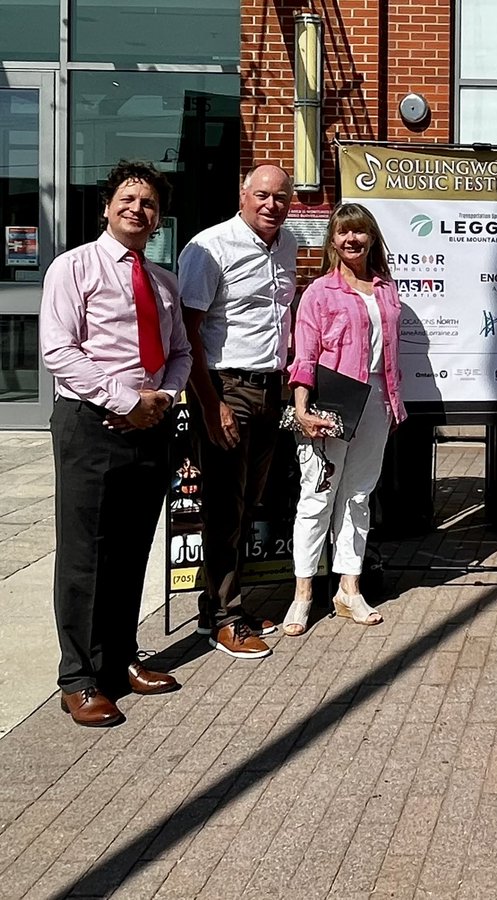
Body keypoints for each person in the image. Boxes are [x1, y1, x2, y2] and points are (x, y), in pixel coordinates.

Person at [40, 160, 192, 726]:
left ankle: (120, 658)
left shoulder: (164, 282)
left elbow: (180, 353)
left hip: (150, 429)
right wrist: (125, 400)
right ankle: (78, 678)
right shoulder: (72, 268)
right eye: (128, 199)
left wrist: (163, 399)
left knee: (131, 550)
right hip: (92, 426)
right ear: (107, 207)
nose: (138, 209)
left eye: (149, 203)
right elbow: (58, 350)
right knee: (85, 555)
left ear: (158, 218)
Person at [178, 164, 297, 659]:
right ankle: (223, 618)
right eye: (263, 195)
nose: (272, 205)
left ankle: (224, 605)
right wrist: (212, 405)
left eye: (281, 198)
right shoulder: (210, 248)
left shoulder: (287, 245)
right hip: (227, 388)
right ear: (243, 194)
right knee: (225, 507)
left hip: (271, 389)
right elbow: (186, 335)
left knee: (249, 503)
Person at [282, 203, 406, 636]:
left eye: (359, 233)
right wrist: (302, 410)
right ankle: (302, 594)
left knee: (357, 496)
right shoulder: (319, 292)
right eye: (343, 233)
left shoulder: (386, 289)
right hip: (332, 404)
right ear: (332, 240)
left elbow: (391, 355)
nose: (351, 240)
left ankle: (348, 589)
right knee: (317, 497)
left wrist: (393, 403)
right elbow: (305, 358)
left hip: (377, 403)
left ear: (372, 237)